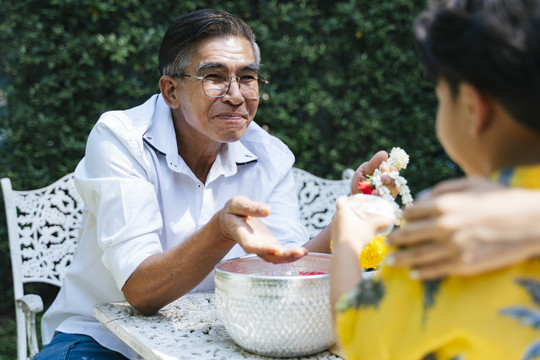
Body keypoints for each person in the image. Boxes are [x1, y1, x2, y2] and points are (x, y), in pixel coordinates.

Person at [34, 9, 396, 360]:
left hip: (214, 337)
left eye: (248, 77)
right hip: (104, 339)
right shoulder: (122, 139)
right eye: (214, 76)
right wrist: (222, 230)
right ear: (171, 90)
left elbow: (283, 268)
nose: (236, 95)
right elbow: (140, 292)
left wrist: (348, 219)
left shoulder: (271, 155)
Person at [330, 0, 540, 359]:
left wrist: (347, 243)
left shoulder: (450, 226)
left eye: (440, 95)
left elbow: (360, 338)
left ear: (473, 107)